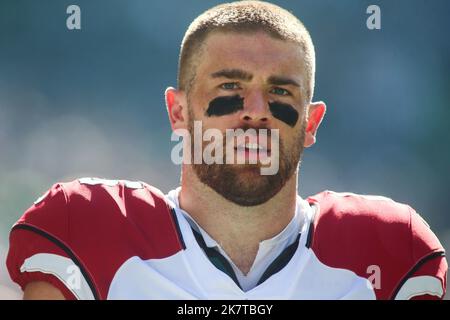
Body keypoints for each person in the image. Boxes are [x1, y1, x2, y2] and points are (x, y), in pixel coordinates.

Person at [7, 1, 447, 300]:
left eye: (279, 92)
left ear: (311, 123)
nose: (256, 112)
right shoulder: (88, 228)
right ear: (178, 112)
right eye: (230, 87)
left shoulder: (387, 248)